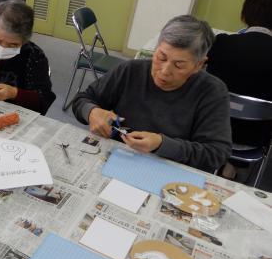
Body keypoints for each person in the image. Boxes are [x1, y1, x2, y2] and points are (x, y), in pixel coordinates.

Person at [72, 15, 232, 172]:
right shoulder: (130, 71)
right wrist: (91, 112)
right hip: (118, 160)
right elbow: (82, 99)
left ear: (199, 65)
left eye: (179, 65)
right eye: (161, 57)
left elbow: (216, 153)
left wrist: (162, 144)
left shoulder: (212, 91)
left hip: (171, 171)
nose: (164, 71)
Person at [207, 0, 272, 150]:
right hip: (254, 138)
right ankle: (233, 167)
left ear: (244, 16)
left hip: (209, 128)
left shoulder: (221, 43)